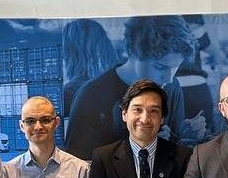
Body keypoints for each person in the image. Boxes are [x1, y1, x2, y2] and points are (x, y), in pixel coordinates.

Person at [65, 15, 195, 159]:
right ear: (133, 52)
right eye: (160, 67)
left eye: (176, 66)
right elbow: (77, 167)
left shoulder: (172, 87)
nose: (169, 78)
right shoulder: (90, 96)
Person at [60, 18, 118, 117]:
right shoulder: (119, 83)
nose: (62, 55)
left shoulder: (69, 93)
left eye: (64, 48)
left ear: (71, 52)